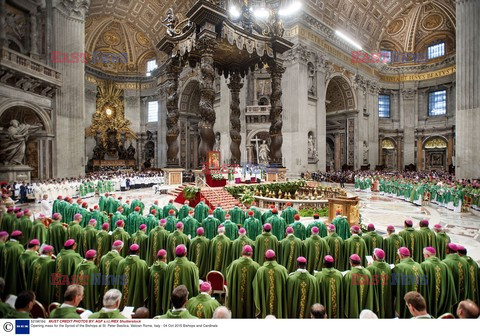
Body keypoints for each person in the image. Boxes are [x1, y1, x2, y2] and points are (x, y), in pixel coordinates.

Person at [420, 246, 457, 317]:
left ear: (427, 255)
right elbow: (450, 283)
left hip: (430, 298)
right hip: (443, 299)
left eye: (424, 254)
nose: (424, 256)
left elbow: (421, 284)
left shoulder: (424, 265)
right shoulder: (444, 265)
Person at [162, 245, 199, 313]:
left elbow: (166, 285)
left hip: (172, 303)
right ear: (186, 253)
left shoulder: (170, 265)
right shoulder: (191, 266)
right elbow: (196, 285)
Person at [226, 245, 259, 318]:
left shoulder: (234, 264)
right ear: (251, 254)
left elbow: (228, 277)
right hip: (249, 296)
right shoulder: (255, 266)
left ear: (242, 253)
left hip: (237, 295)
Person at [252, 249, 288, 318]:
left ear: (265, 258)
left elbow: (255, 286)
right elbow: (287, 285)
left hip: (264, 300)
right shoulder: (282, 269)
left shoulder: (261, 270)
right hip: (279, 302)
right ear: (275, 257)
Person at [392, 247, 426, 318]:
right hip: (418, 296)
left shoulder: (399, 267)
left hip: (405, 297)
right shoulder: (418, 265)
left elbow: (394, 286)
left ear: (401, 256)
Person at [115, 244, 148, 309]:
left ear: (129, 251)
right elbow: (145, 281)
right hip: (136, 296)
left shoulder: (121, 263)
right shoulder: (142, 264)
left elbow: (117, 280)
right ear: (138, 251)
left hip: (122, 295)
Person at [343, 254, 374, 318]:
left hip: (353, 306)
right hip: (366, 304)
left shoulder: (349, 275)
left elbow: (344, 291)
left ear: (351, 263)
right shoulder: (368, 273)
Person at [366, 248, 394, 318]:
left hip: (376, 295)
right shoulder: (388, 266)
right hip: (387, 294)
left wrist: (368, 266)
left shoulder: (371, 268)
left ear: (374, 257)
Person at [2, 230, 25, 295]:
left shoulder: (4, 245)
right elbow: (22, 260)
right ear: (18, 237)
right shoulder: (18, 247)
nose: (22, 238)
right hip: (14, 270)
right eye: (21, 236)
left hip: (4, 270)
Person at [148, 249, 168, 317]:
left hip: (152, 295)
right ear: (165, 258)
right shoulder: (166, 268)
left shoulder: (152, 267)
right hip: (162, 294)